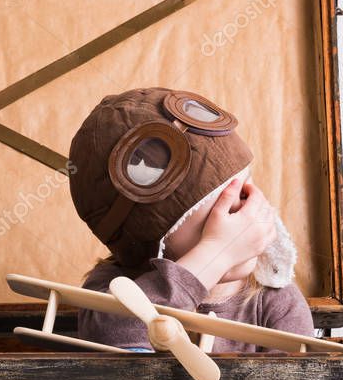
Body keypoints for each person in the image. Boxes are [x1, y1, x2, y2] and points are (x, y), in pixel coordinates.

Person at [67, 87, 314, 352]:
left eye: (246, 187)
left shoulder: (274, 301)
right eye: (220, 203)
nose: (245, 211)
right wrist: (215, 255)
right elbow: (118, 339)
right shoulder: (112, 289)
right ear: (154, 239)